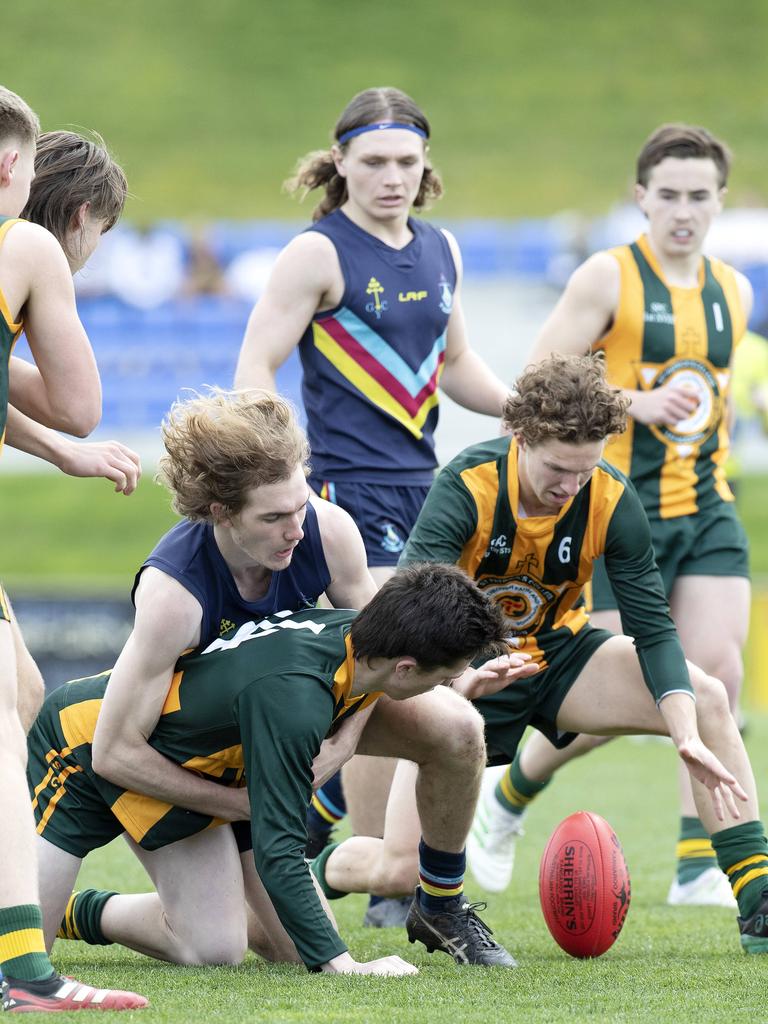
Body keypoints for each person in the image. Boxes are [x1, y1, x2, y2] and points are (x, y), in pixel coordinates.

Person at [235, 86, 511, 924]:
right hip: (343, 492)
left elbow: (457, 365)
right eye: (374, 162)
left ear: (425, 164)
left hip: (424, 488)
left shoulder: (442, 250)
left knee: (420, 670)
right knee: (389, 673)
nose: (392, 177)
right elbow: (255, 366)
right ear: (341, 162)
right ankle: (383, 879)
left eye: (405, 161)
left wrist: (522, 409)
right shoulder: (317, 254)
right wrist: (283, 470)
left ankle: (356, 848)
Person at [390, 353, 768, 955]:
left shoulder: (611, 498)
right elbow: (409, 607)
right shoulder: (467, 484)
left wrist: (684, 733)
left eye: (585, 470)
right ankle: (324, 852)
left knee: (710, 698)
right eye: (558, 468)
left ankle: (759, 905)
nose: (570, 486)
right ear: (521, 437)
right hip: (464, 670)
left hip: (560, 658)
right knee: (394, 872)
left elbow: (653, 628)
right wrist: (457, 682)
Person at [468, 124, 753, 906]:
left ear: (719, 201)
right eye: (669, 195)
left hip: (706, 504)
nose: (684, 212)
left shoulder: (735, 288)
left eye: (699, 196)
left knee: (718, 674)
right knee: (623, 690)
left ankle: (702, 863)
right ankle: (511, 792)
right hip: (612, 517)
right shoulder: (608, 278)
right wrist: (640, 403)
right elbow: (535, 384)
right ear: (642, 198)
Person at [29, 564, 533, 973]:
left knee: (240, 949)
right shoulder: (296, 700)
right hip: (84, 743)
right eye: (442, 677)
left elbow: (369, 692)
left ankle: (80, 911)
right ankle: (41, 910)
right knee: (22, 956)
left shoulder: (360, 636)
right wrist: (342, 965)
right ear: (404, 667)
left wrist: (462, 684)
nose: (442, 687)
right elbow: (280, 849)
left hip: (204, 768)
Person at [0, 87, 145, 1012]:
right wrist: (70, 436)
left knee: (20, 692)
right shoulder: (27, 245)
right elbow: (79, 399)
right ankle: (24, 970)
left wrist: (59, 453)